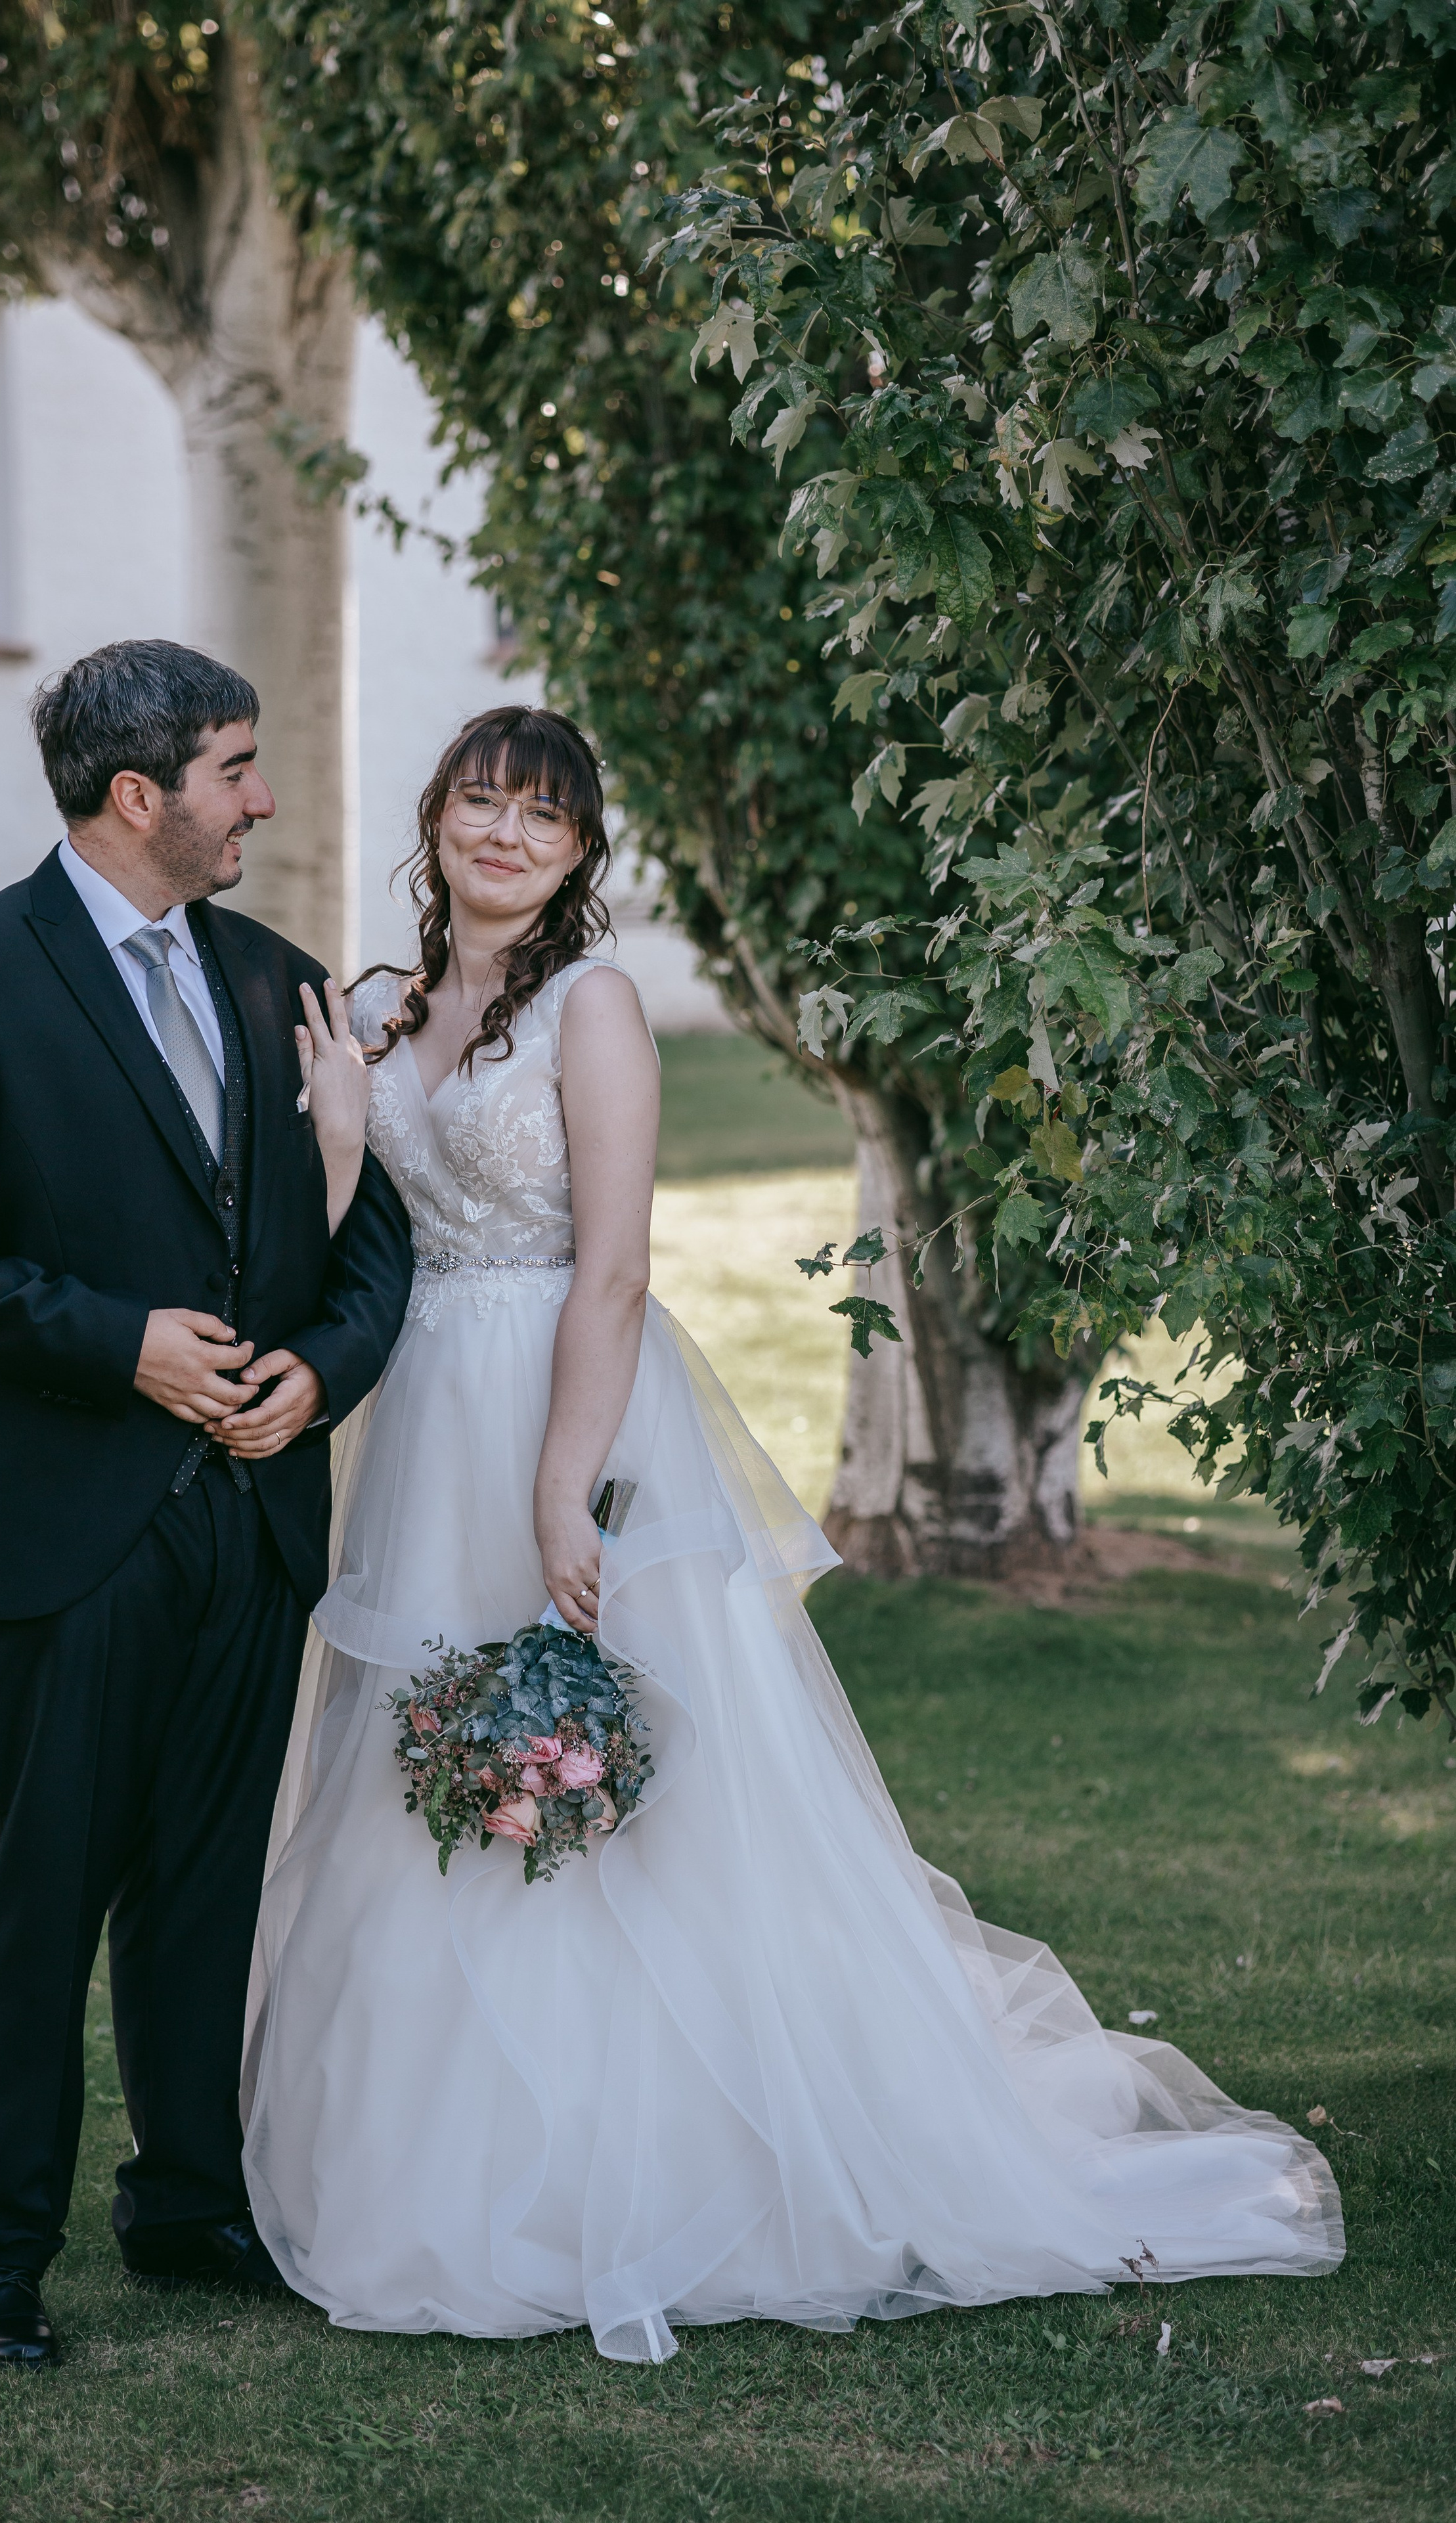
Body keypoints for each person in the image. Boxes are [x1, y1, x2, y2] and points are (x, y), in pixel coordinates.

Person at [242, 703, 1343, 2363]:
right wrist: (336, 1131)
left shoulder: (596, 1010)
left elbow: (609, 1266)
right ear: (435, 817)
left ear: (580, 850)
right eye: (477, 801)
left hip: (570, 1396)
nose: (502, 833)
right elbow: (332, 1251)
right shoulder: (385, 1009)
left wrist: (563, 1482)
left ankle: (672, 2161)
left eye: (540, 815)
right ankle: (438, 2156)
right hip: (421, 1418)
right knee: (430, 1767)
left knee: (635, 1778)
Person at [0, 640, 412, 2368]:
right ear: (137, 794)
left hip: (251, 1521)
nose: (261, 798)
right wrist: (123, 1347)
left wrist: (324, 1369)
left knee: (205, 1890)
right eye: (236, 769)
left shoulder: (280, 975)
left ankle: (187, 2205)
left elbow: (368, 1225)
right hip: (53, 1530)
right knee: (42, 1899)